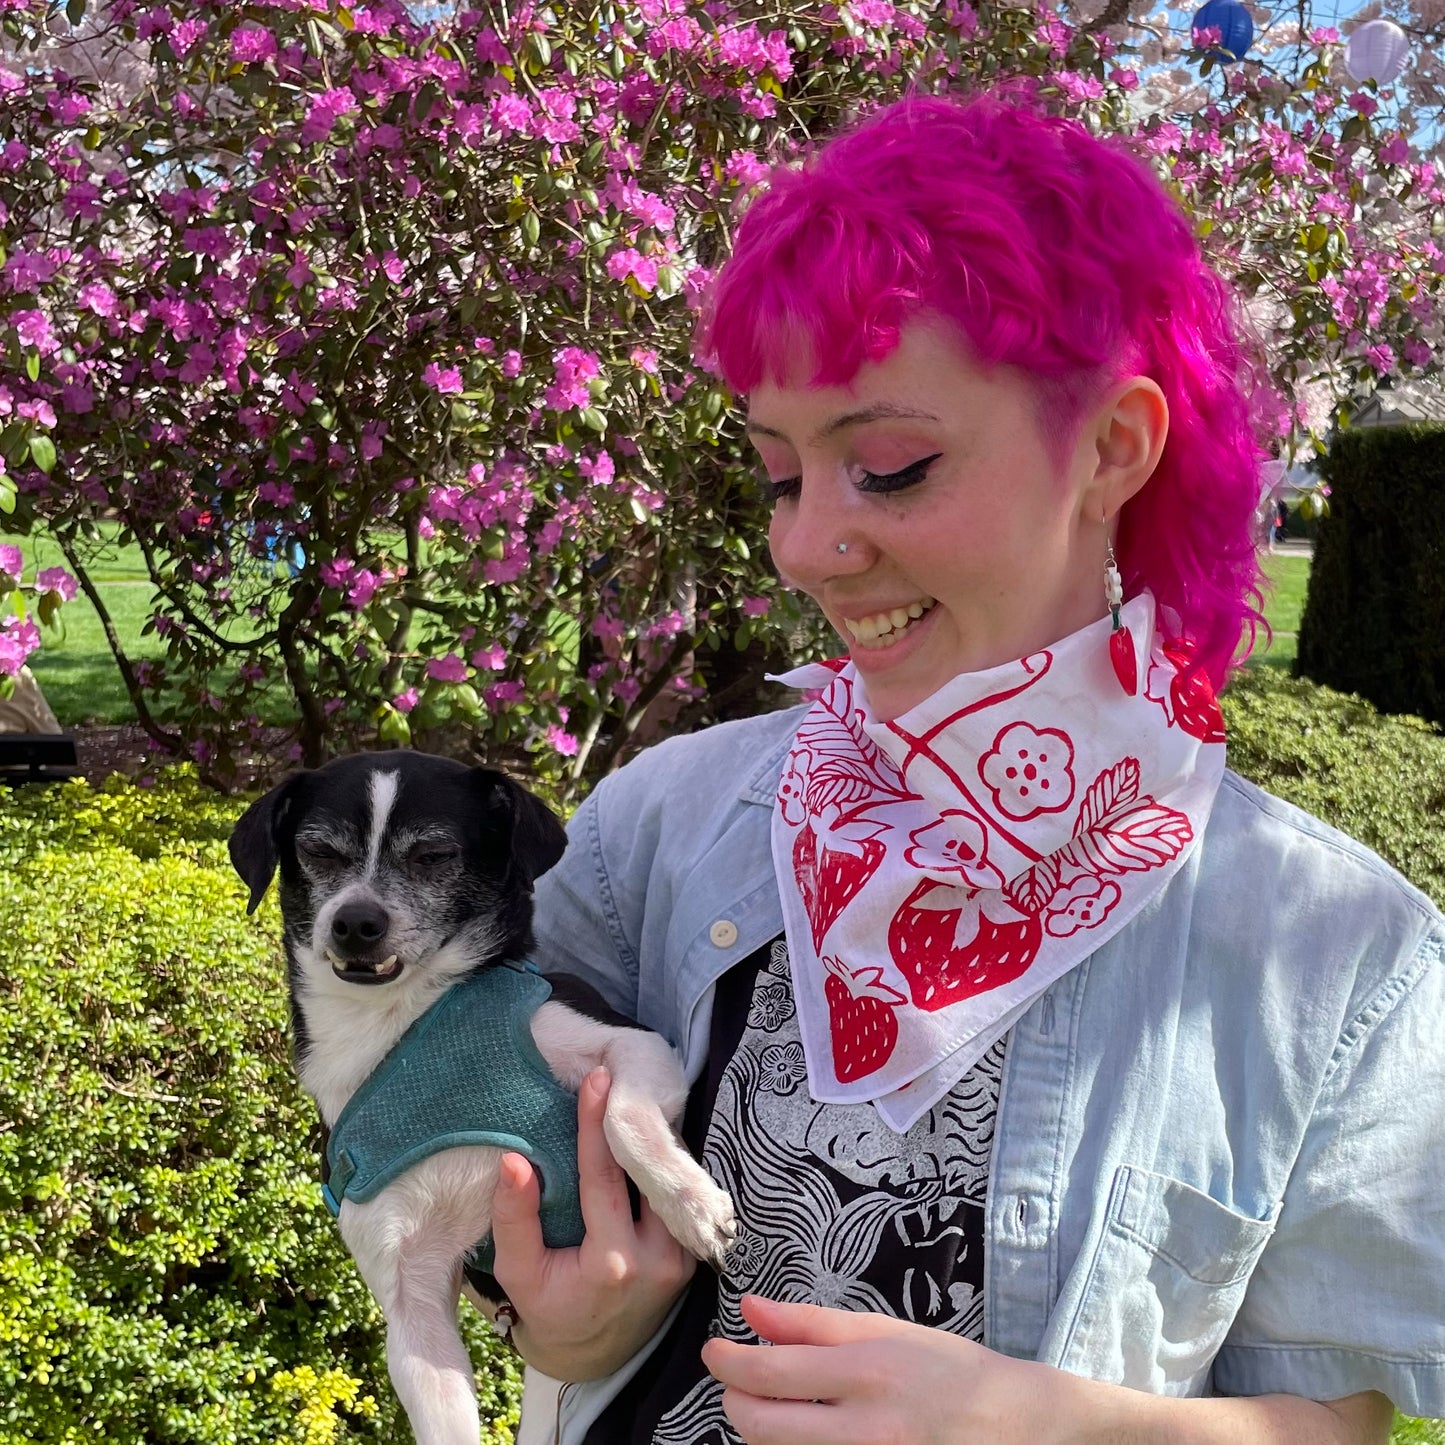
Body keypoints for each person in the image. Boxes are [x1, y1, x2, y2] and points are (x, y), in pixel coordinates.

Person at [487, 94, 1445, 1445]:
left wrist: (1045, 1424)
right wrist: (565, 1323)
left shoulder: (1337, 959)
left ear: (1111, 448)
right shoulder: (662, 827)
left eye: (888, 466)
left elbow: (1336, 1423)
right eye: (780, 475)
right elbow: (468, 1119)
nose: (805, 547)